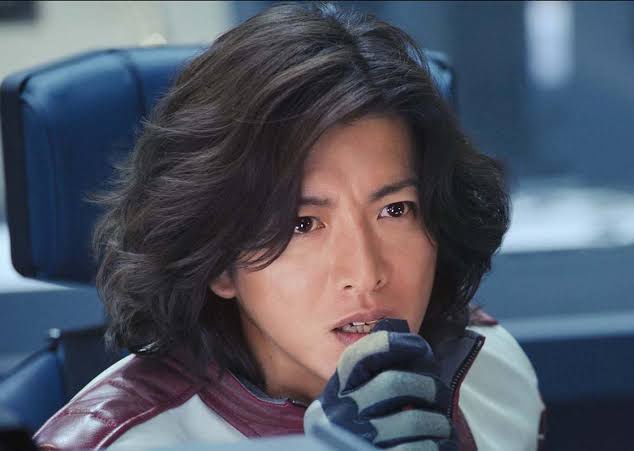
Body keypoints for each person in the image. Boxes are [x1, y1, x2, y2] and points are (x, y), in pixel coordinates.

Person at [33, 3, 545, 450]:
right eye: (303, 224)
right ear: (221, 263)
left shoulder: (491, 371)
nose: (365, 274)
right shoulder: (125, 443)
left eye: (395, 210)